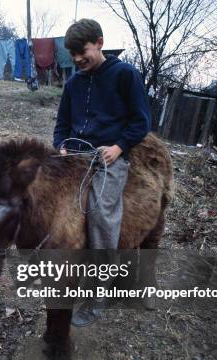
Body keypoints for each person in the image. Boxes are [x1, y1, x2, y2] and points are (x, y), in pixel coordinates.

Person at [52, 19, 151, 326]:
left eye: (81, 51)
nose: (78, 59)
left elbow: (141, 121)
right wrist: (61, 147)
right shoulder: (73, 83)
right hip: (74, 157)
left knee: (100, 217)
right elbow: (61, 126)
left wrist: (119, 147)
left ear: (99, 42)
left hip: (108, 159)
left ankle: (99, 292)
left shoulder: (125, 74)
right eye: (72, 55)